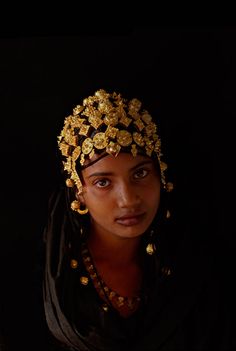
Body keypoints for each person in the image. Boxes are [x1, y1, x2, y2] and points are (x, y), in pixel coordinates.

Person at [42, 89, 234, 350]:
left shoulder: (193, 267)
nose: (128, 199)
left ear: (161, 176)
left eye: (140, 173)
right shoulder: (56, 275)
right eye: (103, 182)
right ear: (79, 192)